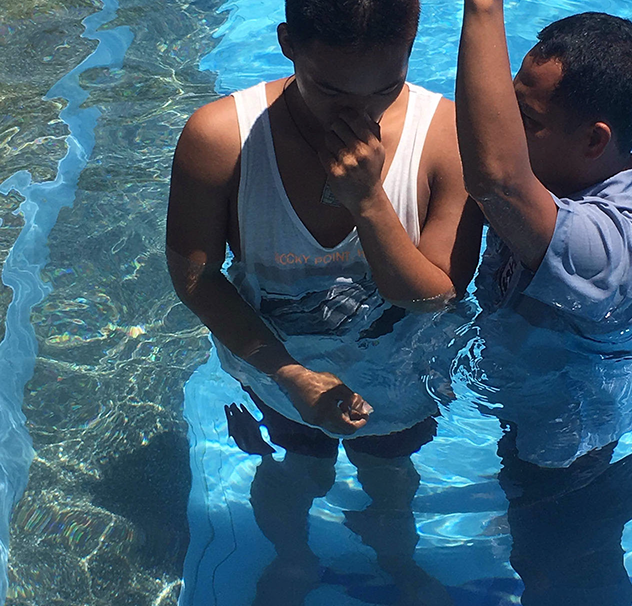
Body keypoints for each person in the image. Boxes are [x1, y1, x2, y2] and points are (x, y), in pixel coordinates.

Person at [167, 0, 481, 603]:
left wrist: (369, 202)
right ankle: (292, 556)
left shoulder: (446, 138)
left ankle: (397, 560)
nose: (359, 115)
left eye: (386, 88)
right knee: (295, 465)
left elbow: (435, 297)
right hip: (274, 363)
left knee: (391, 477)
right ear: (287, 43)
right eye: (331, 90)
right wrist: (289, 375)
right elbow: (197, 280)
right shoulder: (221, 138)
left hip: (398, 377)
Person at [453, 6, 632, 605]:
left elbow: (494, 177)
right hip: (538, 423)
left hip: (574, 462)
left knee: (559, 579)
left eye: (525, 119)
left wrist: (482, 8)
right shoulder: (553, 184)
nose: (506, 129)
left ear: (594, 140)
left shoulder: (614, 247)